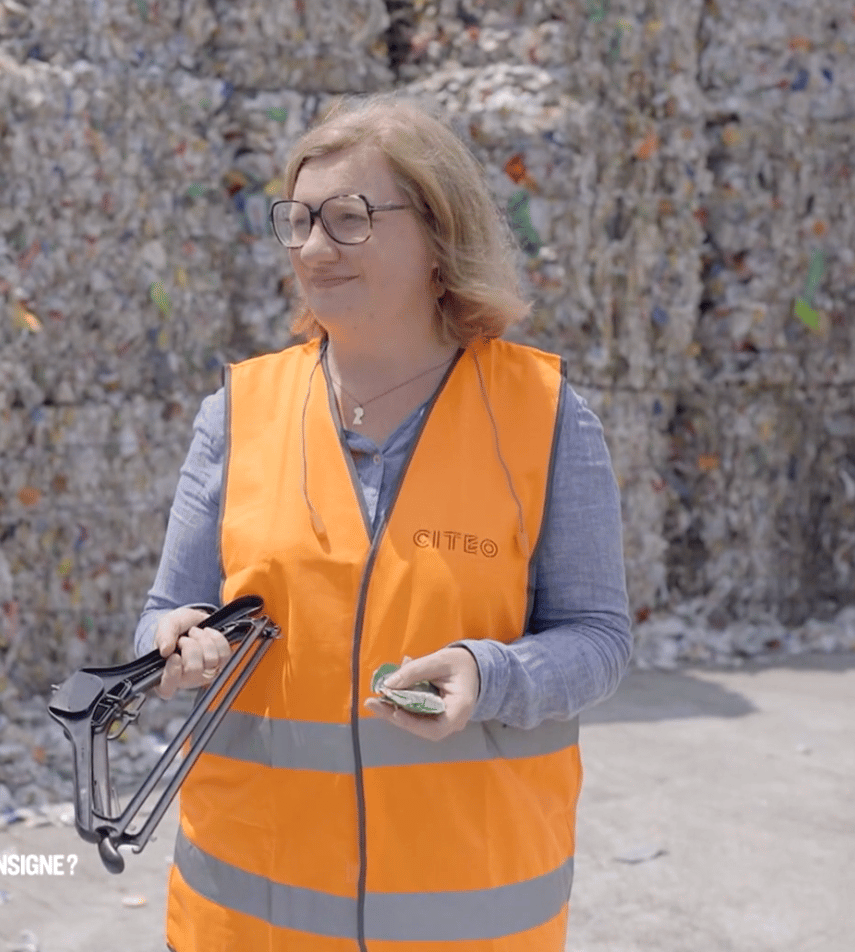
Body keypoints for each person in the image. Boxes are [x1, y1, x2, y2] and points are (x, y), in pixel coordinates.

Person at [132, 95, 632, 952]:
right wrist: (175, 640)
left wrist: (492, 676)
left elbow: (599, 636)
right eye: (297, 220)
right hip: (252, 918)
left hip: (466, 925)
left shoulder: (544, 416)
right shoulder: (240, 411)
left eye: (350, 219)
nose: (315, 248)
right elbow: (165, 608)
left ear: (440, 237)